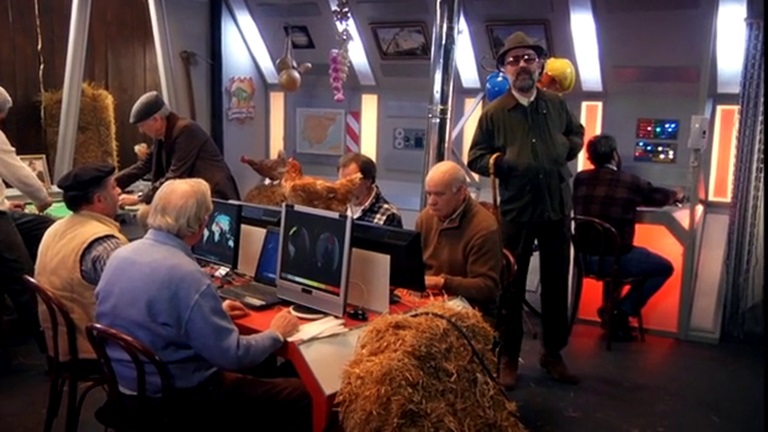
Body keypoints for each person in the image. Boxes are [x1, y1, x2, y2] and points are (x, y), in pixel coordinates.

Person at [95, 178, 310, 430]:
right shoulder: (187, 275)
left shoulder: (121, 255)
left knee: (261, 370)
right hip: (179, 399)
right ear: (200, 225)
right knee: (302, 395)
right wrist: (276, 333)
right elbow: (233, 356)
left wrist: (212, 313)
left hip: (126, 389)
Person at [467, 32, 584, 388]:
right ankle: (508, 357)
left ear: (540, 65)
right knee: (510, 288)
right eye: (514, 60)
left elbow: (577, 133)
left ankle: (553, 353)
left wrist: (564, 147)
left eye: (528, 59)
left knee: (555, 285)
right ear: (504, 68)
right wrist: (501, 162)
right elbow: (475, 156)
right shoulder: (494, 113)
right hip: (516, 210)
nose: (522, 65)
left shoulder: (556, 106)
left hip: (555, 206)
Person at [573, 134, 682, 340]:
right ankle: (621, 311)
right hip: (615, 261)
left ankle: (611, 308)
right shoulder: (629, 182)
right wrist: (676, 194)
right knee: (663, 267)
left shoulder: (580, 179)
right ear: (615, 155)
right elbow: (657, 197)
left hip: (583, 260)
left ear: (590, 158)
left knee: (619, 257)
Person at [35, 163, 126, 367]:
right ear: (99, 199)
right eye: (114, 187)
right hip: (92, 350)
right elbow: (131, 302)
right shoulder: (104, 244)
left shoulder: (55, 228)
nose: (120, 191)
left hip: (60, 343)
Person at [0, 85, 54, 349]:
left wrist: (5, 204)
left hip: (3, 210)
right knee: (23, 277)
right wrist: (42, 199)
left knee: (44, 227)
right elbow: (19, 174)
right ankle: (48, 343)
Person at [115, 91, 240, 206]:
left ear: (156, 120)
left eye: (142, 125)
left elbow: (175, 176)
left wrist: (139, 198)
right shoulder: (162, 136)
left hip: (215, 196)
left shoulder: (186, 131)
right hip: (199, 197)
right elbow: (144, 165)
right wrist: (114, 184)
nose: (141, 131)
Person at [415, 161, 503, 319]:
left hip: (470, 310)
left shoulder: (484, 228)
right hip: (429, 299)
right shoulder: (426, 218)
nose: (431, 202)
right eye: (429, 194)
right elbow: (415, 264)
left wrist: (442, 283)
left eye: (439, 194)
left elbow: (488, 288)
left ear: (461, 192)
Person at [337, 153, 403, 228]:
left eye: (350, 182)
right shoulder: (341, 206)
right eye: (341, 181)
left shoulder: (389, 215)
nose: (343, 187)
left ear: (368, 181)